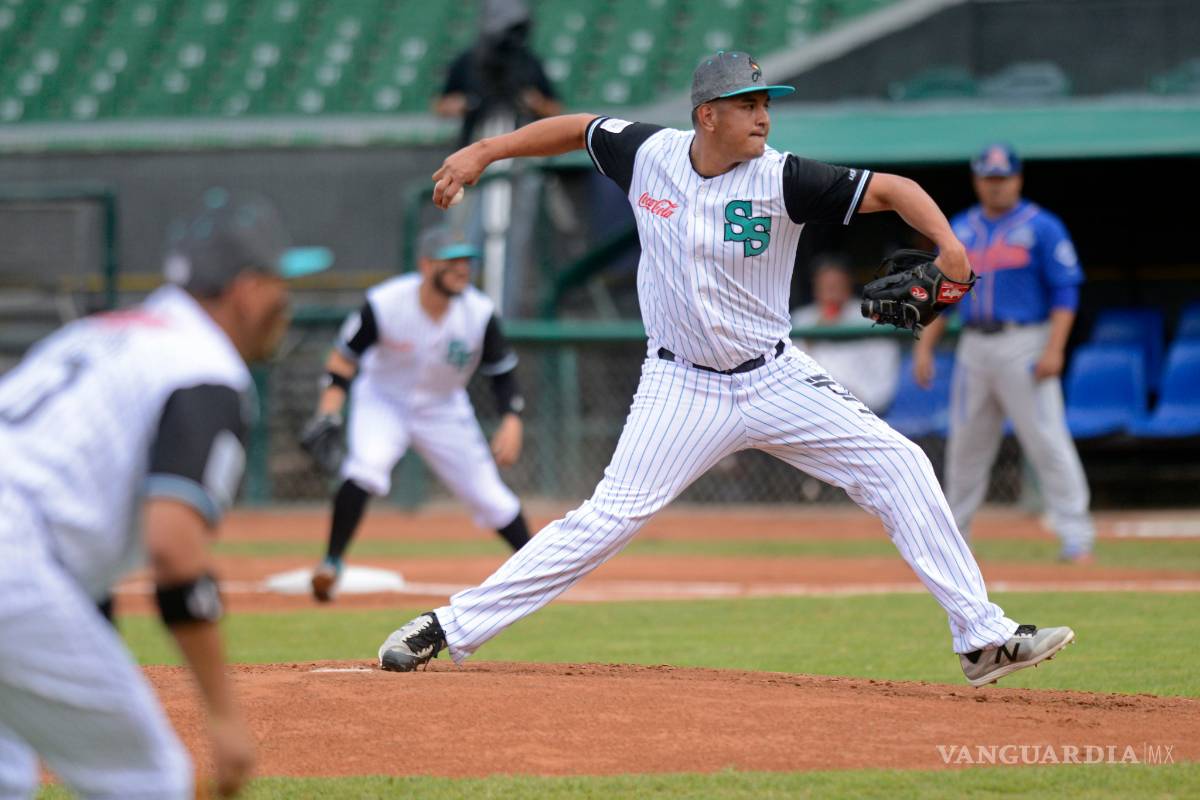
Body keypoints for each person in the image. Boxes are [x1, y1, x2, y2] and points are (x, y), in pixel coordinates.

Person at [377, 52, 1075, 688]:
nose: (763, 116)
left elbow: (895, 189)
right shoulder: (647, 153)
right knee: (605, 520)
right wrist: (485, 150)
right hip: (680, 384)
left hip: (775, 377)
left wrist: (950, 246)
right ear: (707, 115)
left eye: (765, 103)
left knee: (901, 466)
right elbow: (576, 128)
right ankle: (448, 627)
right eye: (747, 105)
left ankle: (982, 637)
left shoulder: (786, 178)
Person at [0, 188, 331, 798]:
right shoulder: (204, 368)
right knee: (150, 782)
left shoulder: (95, 334)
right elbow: (175, 552)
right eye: (278, 282)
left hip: (27, 557)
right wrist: (224, 717)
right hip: (15, 563)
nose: (286, 300)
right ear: (246, 289)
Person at [303, 227, 531, 603]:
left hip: (443, 407)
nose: (462, 269)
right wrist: (328, 413)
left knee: (490, 497)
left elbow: (502, 373)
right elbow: (343, 358)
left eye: (467, 261)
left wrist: (511, 418)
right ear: (426, 265)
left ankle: (539, 570)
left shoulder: (479, 313)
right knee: (366, 468)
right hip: (382, 400)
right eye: (451, 261)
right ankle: (331, 563)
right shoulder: (385, 303)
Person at [912, 144, 1094, 563]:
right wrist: (925, 348)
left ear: (1018, 179)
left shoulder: (1042, 226)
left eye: (1003, 178)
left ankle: (1076, 536)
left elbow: (1066, 292)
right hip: (974, 344)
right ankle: (954, 541)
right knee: (966, 447)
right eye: (989, 178)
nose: (996, 186)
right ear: (977, 181)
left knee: (1046, 440)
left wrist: (1055, 348)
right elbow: (943, 293)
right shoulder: (961, 228)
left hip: (1025, 341)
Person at [791, 257, 901, 413]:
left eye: (836, 284)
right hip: (811, 408)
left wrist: (863, 402)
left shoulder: (870, 318)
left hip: (861, 408)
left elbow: (884, 371)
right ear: (815, 287)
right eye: (826, 285)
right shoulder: (801, 320)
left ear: (848, 284)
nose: (831, 290)